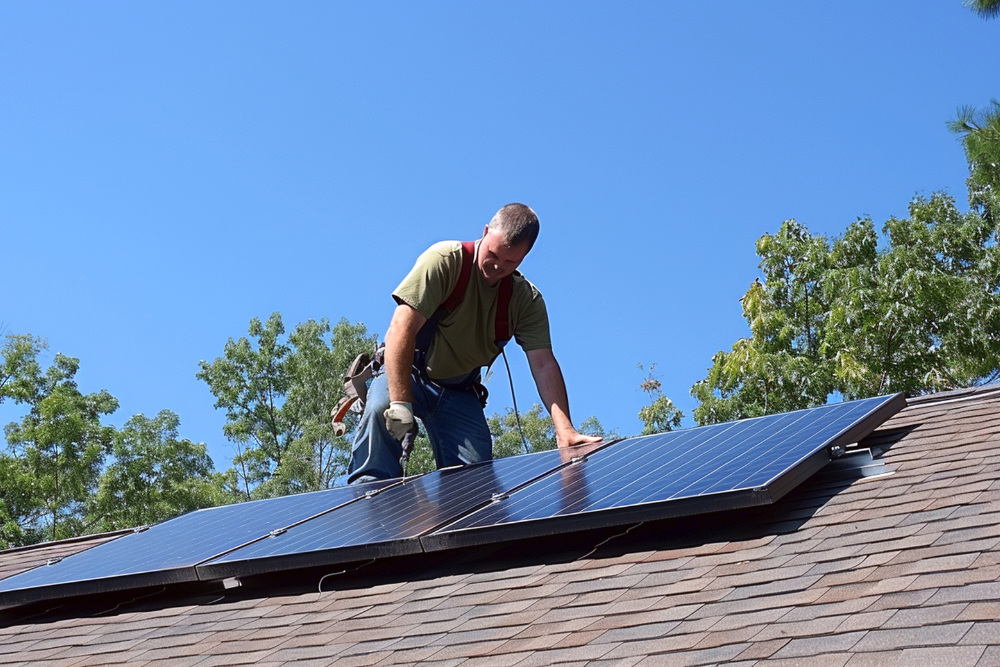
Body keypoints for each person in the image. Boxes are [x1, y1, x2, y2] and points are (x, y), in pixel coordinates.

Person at [348, 203, 601, 483]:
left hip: (459, 391)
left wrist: (564, 429)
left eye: (510, 263)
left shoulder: (525, 301)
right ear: (485, 232)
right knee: (380, 409)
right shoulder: (445, 260)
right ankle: (367, 503)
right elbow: (399, 330)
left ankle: (460, 525)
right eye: (493, 254)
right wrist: (400, 404)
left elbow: (543, 364)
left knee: (475, 486)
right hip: (411, 372)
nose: (497, 267)